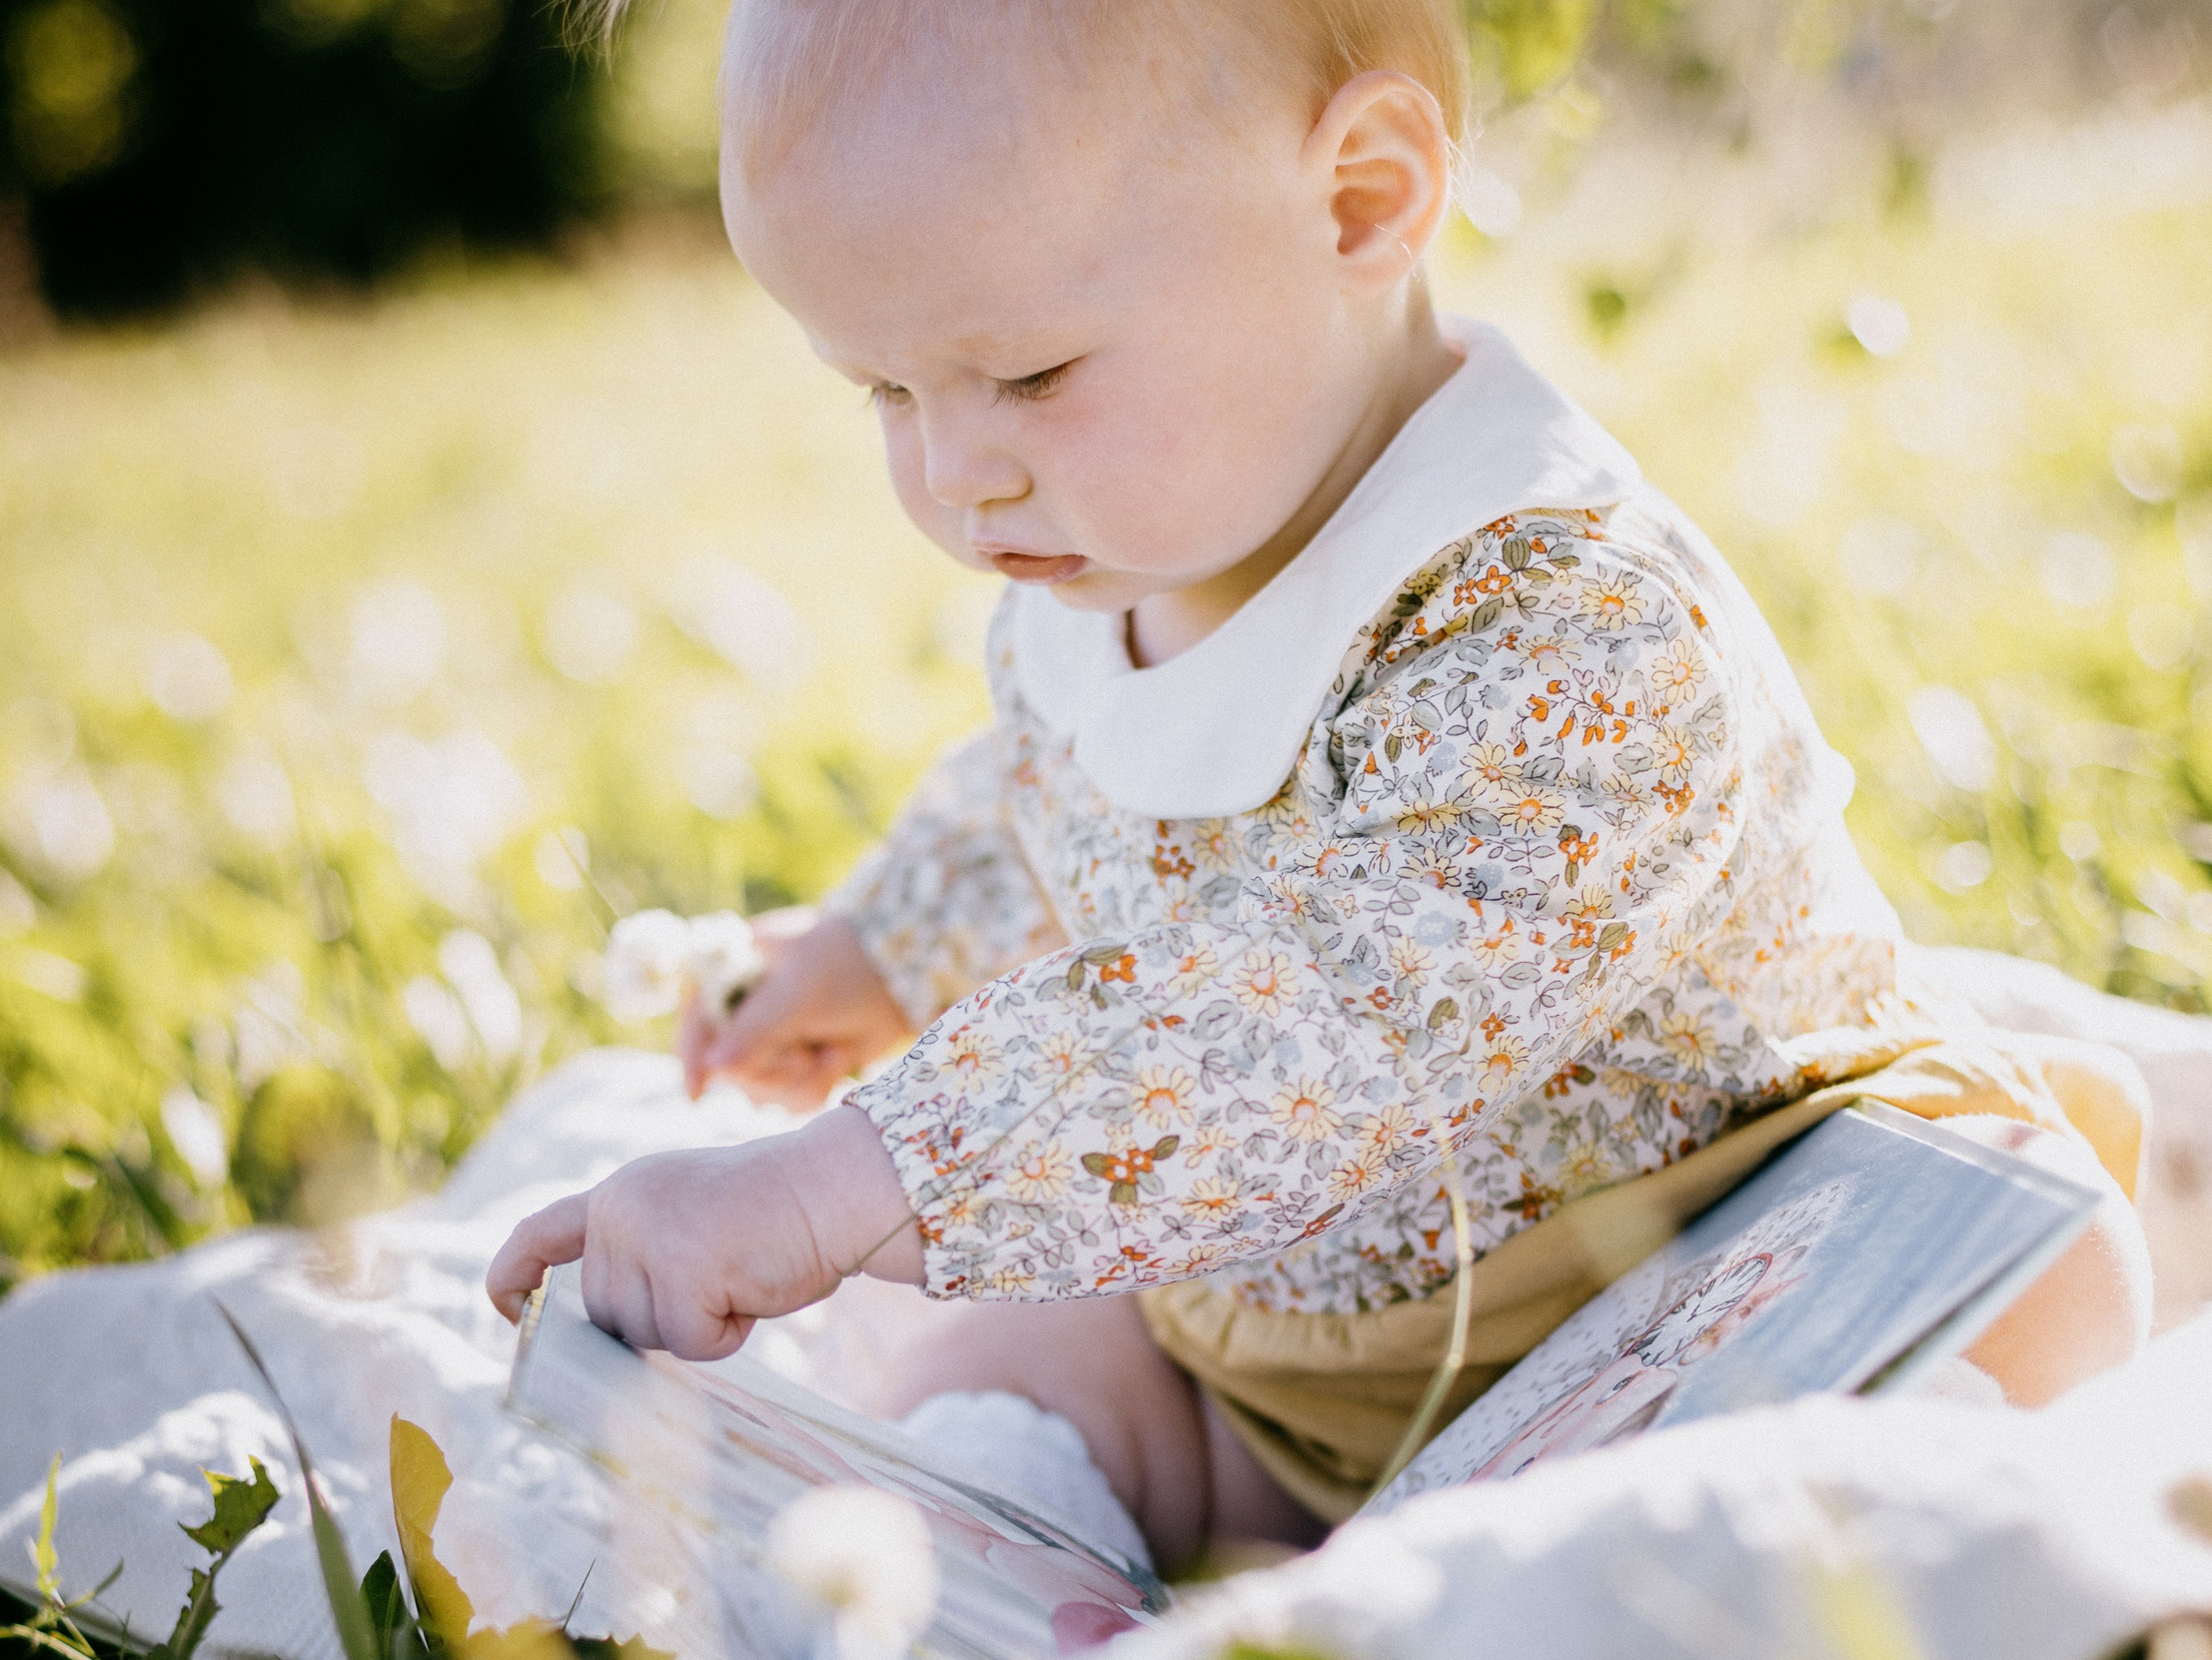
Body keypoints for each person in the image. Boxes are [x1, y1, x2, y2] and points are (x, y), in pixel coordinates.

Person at [488, 0, 2154, 1574]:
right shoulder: (1129, 548)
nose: (954, 474)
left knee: (1924, 1363)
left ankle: (1842, 1537)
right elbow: (1057, 792)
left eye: (1033, 375)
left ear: (1361, 200)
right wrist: (889, 940)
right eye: (887, 392)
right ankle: (1001, 1563)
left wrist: (853, 1178)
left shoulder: (1557, 619)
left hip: (1688, 1266)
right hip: (1286, 1352)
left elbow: (1296, 1025)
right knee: (1008, 1355)